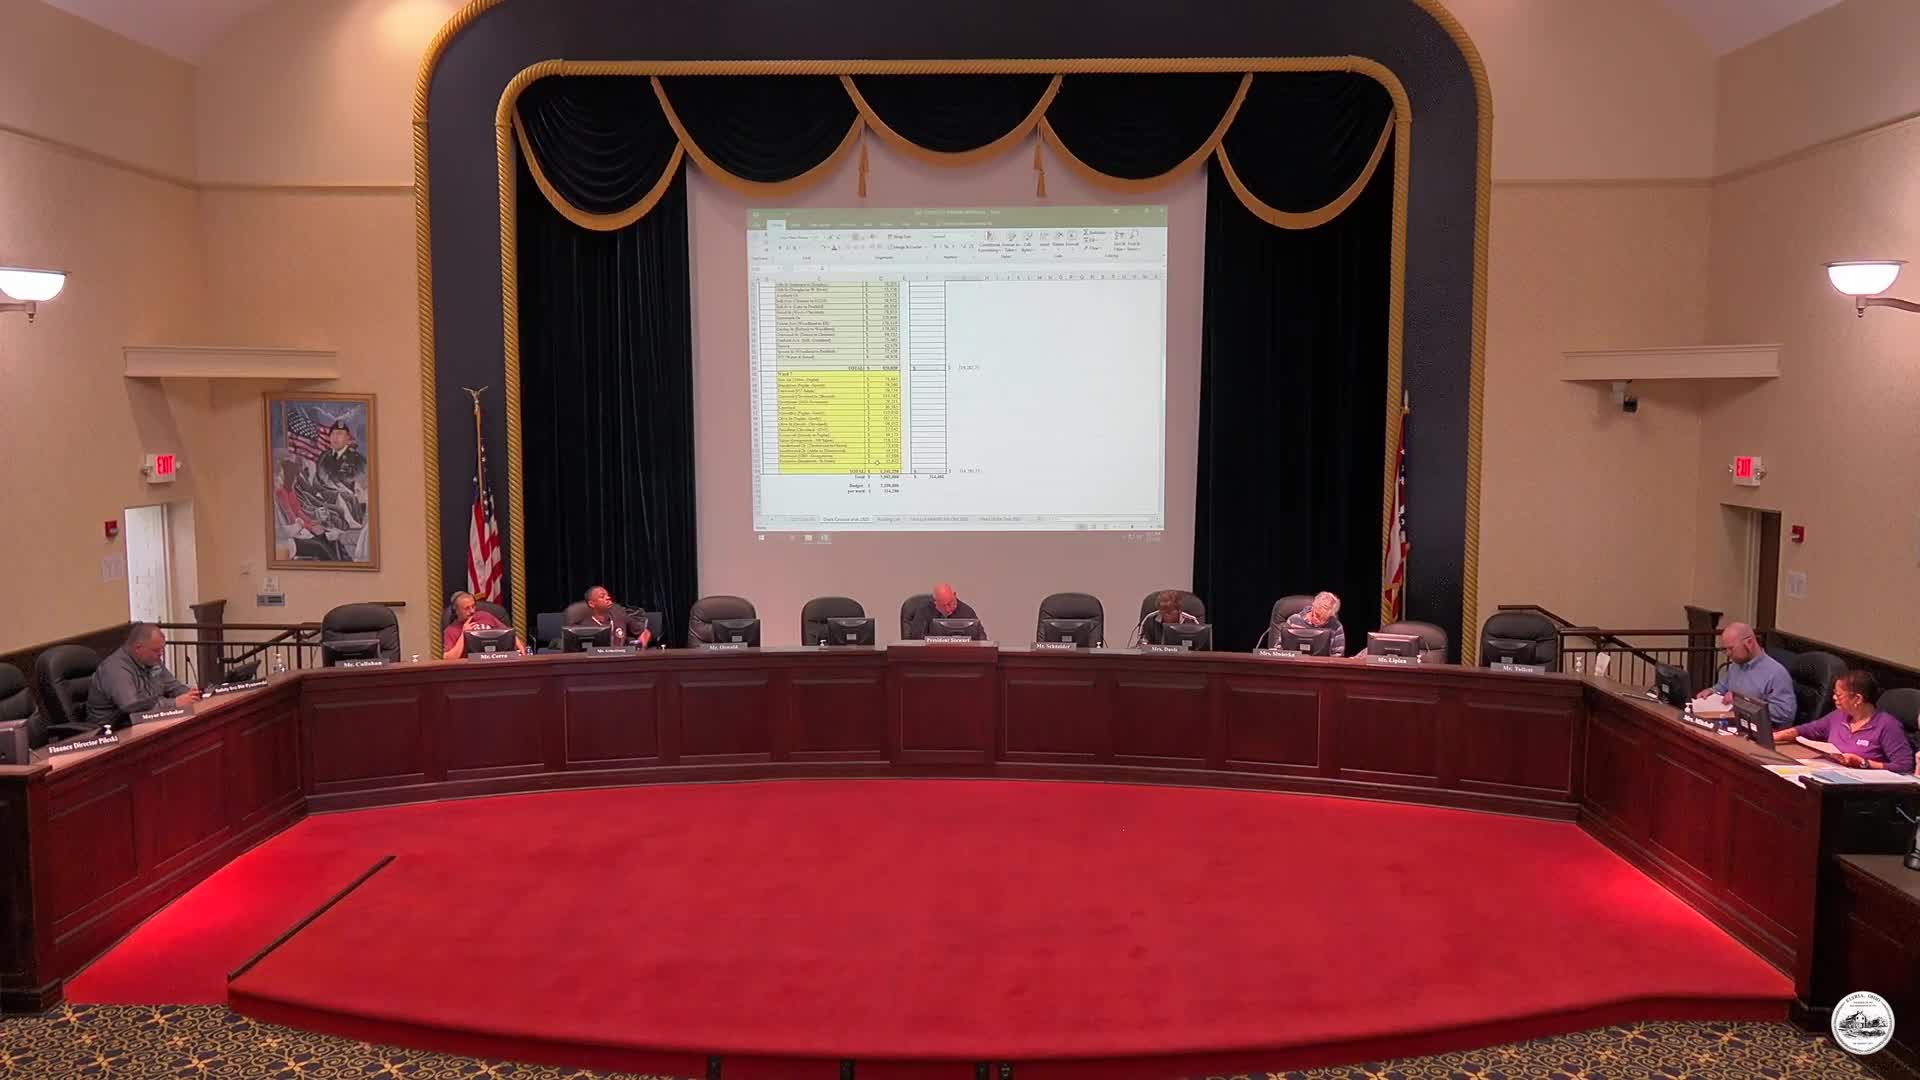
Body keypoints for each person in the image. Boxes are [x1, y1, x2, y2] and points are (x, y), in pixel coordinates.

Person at [1772, 669, 1915, 773]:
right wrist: (1773, 737)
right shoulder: (1838, 716)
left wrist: (1864, 763)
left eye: (1839, 695)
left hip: (1863, 785)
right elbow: (1806, 730)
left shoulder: (1887, 725)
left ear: (1857, 699)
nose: (1834, 698)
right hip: (1829, 773)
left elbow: (1905, 766)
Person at [86, 623, 199, 727]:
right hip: (112, 730)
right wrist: (174, 703)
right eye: (156, 650)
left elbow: (173, 687)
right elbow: (132, 706)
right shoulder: (115, 668)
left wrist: (192, 695)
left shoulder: (153, 660)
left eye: (162, 649)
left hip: (145, 721)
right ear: (138, 648)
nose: (161, 654)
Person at [1695, 621, 1797, 728]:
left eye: (1731, 648)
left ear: (1749, 643)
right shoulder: (1736, 665)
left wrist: (1742, 703)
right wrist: (1711, 691)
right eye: (1725, 649)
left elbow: (1784, 713)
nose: (1728, 654)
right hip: (1732, 723)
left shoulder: (1776, 673)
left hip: (1760, 730)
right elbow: (1723, 687)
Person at [441, 590, 526, 658]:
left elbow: (509, 634)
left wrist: (521, 649)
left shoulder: (485, 615)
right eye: (467, 608)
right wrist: (463, 634)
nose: (472, 611)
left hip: (496, 659)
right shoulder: (450, 631)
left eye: (473, 606)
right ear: (456, 610)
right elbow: (449, 658)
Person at [563, 585, 652, 648]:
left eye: (608, 595)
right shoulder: (582, 624)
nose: (608, 598)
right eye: (602, 596)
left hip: (620, 659)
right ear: (591, 603)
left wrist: (641, 648)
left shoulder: (619, 615)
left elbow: (645, 632)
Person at [903, 583, 986, 640]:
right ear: (935, 603)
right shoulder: (924, 610)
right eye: (943, 606)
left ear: (955, 595)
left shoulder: (967, 612)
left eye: (950, 603)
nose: (947, 609)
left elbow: (982, 639)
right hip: (930, 656)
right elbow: (915, 639)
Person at [1283, 591, 1347, 656]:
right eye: (1315, 614)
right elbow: (1280, 648)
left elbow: (1338, 655)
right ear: (1313, 604)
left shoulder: (1336, 627)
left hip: (1321, 662)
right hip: (1294, 661)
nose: (1316, 619)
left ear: (1331, 615)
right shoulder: (1293, 620)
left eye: (1321, 618)